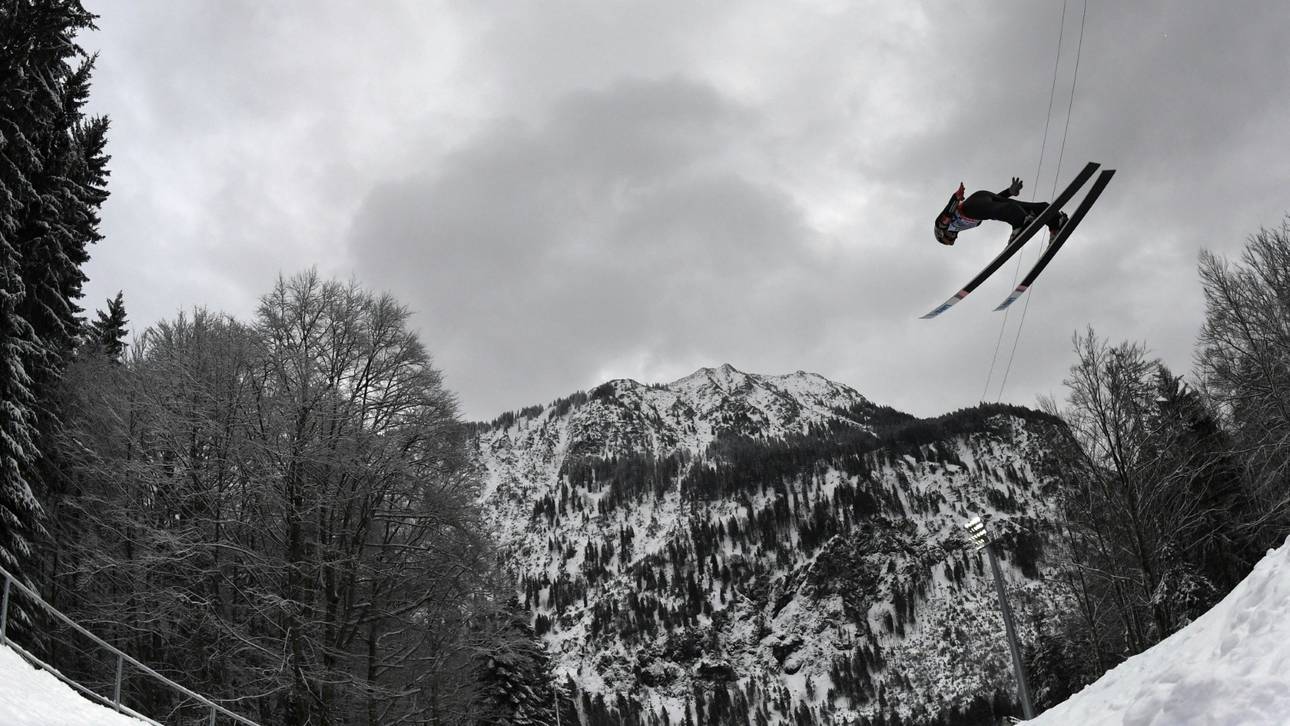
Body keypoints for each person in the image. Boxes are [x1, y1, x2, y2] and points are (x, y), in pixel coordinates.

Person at [933, 177, 1068, 246]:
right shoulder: (963, 226)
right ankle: (1055, 221)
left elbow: (947, 213)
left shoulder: (943, 226)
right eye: (953, 240)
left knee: (1000, 210)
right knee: (1018, 206)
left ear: (941, 234)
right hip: (982, 198)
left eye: (949, 239)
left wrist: (956, 197)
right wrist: (1009, 192)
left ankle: (1020, 221)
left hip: (971, 206)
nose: (954, 238)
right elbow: (991, 205)